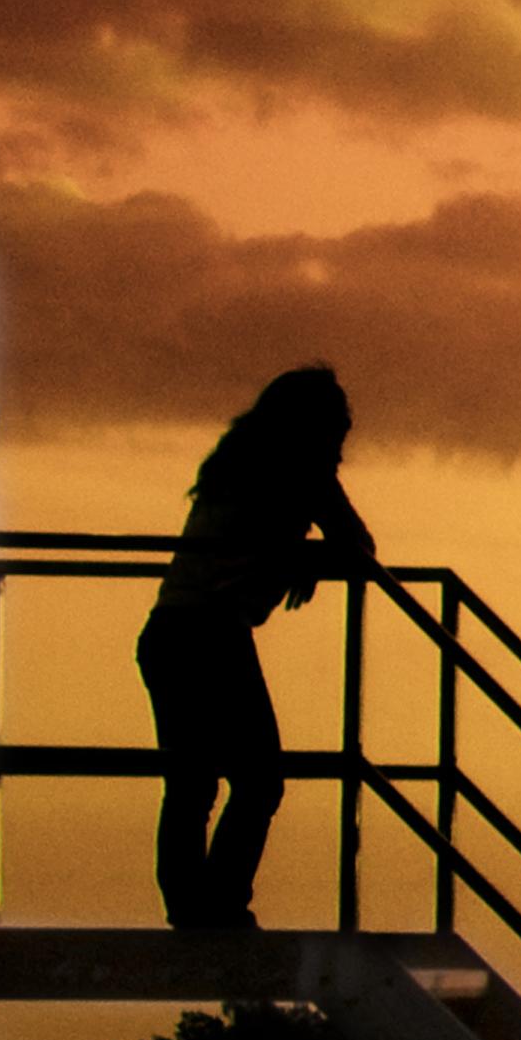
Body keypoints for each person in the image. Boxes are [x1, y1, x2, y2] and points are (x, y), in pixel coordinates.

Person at [140, 365, 377, 934]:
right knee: (259, 780)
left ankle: (190, 911)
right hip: (212, 633)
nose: (340, 452)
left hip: (167, 632)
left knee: (192, 784)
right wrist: (312, 559)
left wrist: (299, 558)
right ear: (317, 430)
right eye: (338, 436)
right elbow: (358, 546)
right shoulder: (303, 468)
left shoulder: (235, 462)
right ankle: (219, 907)